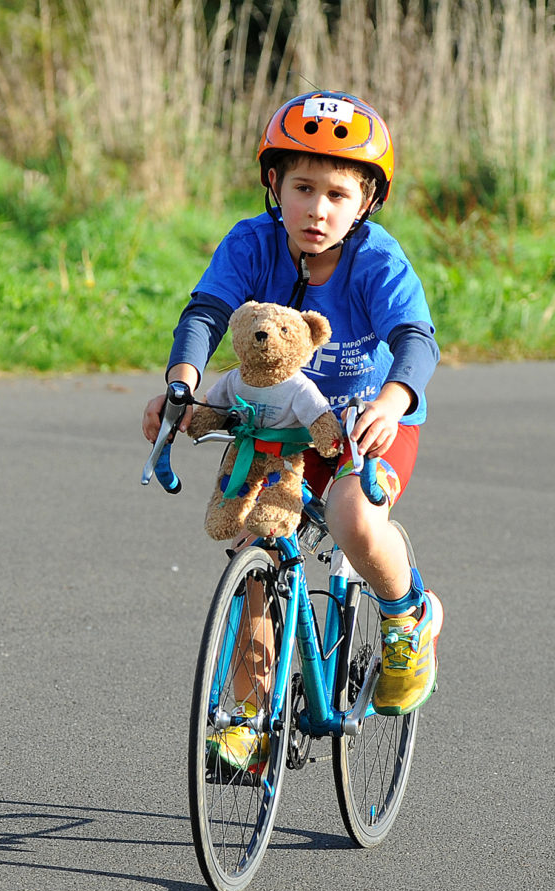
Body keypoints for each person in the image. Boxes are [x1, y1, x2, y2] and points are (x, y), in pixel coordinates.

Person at [142, 91, 443, 767]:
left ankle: (407, 617)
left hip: (369, 423)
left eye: (338, 194)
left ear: (365, 204)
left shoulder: (377, 260)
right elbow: (206, 314)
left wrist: (393, 400)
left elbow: (416, 339)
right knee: (256, 534)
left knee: (351, 516)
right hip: (280, 430)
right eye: (303, 188)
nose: (318, 210)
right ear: (274, 185)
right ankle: (245, 711)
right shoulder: (251, 243)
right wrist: (182, 383)